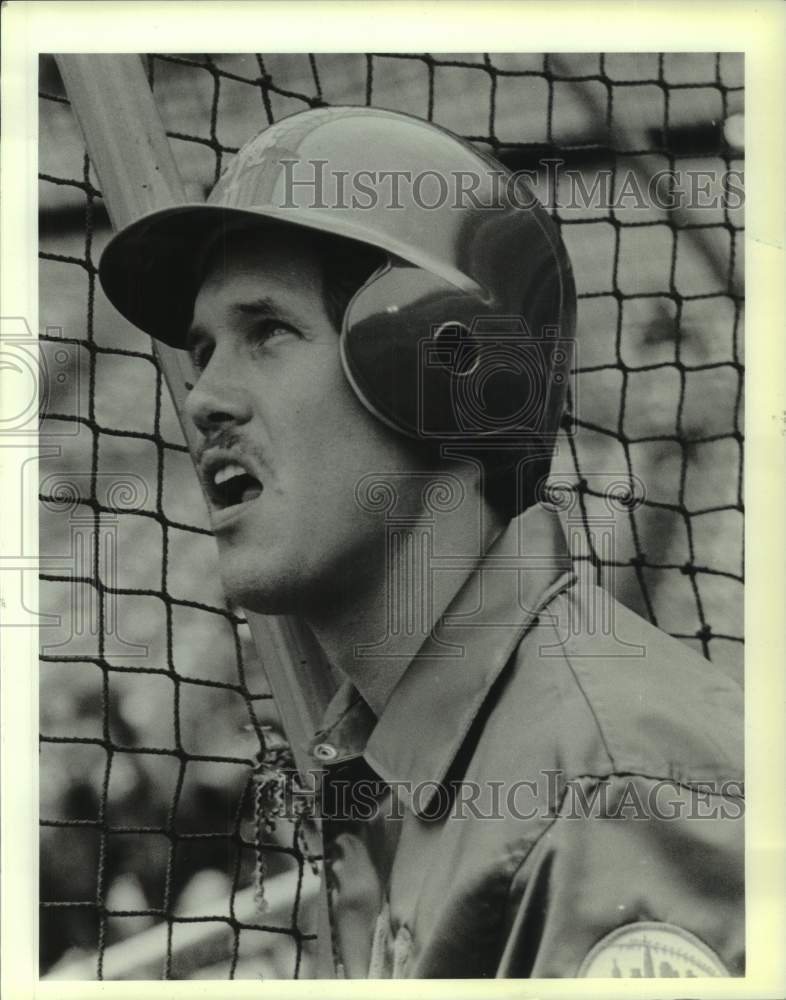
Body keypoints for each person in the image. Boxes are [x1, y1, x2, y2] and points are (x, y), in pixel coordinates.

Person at [98, 106, 744, 979]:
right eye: (205, 349)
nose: (202, 397)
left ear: (443, 369)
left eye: (267, 332)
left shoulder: (607, 789)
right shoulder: (417, 768)